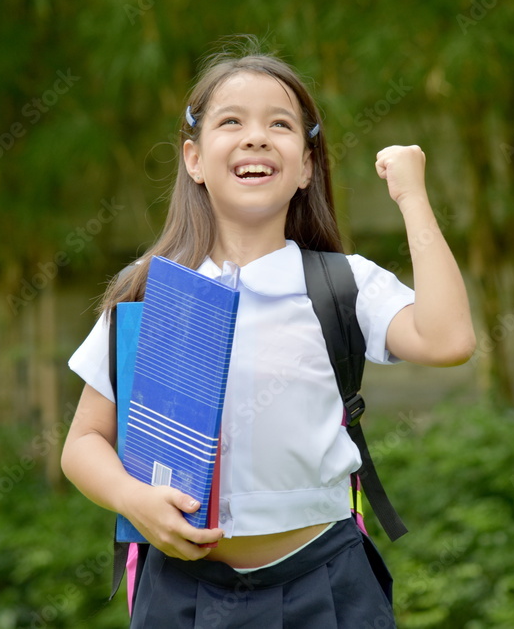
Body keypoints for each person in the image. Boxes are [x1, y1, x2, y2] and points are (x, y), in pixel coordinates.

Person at [61, 43, 475, 628]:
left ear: (306, 166)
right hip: (182, 593)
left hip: (326, 584)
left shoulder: (341, 282)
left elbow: (448, 339)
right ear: (194, 159)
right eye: (231, 122)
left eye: (279, 125)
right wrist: (133, 500)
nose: (256, 137)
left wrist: (412, 197)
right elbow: (82, 445)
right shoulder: (151, 291)